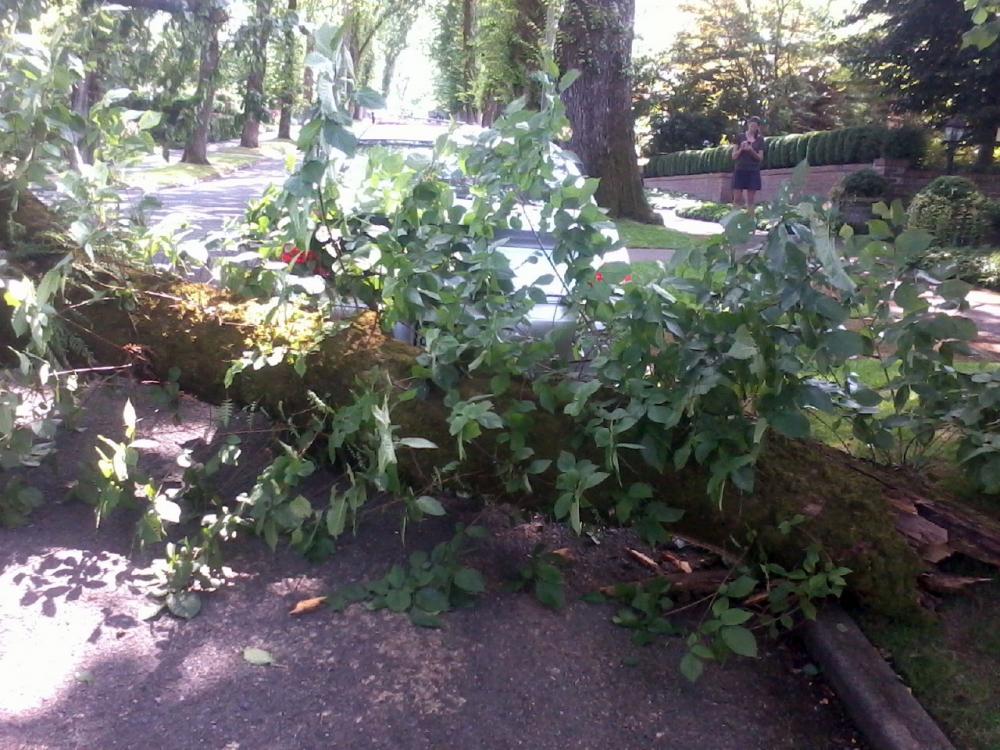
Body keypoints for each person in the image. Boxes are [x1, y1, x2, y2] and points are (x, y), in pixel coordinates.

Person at [731, 117, 765, 212]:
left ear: (758, 127)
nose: (752, 128)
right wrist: (741, 149)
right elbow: (733, 156)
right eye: (751, 125)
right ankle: (733, 221)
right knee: (737, 198)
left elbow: (760, 158)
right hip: (740, 169)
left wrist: (751, 150)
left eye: (755, 126)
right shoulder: (740, 137)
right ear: (748, 125)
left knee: (750, 200)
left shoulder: (760, 140)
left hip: (753, 170)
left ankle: (750, 222)